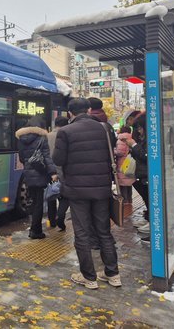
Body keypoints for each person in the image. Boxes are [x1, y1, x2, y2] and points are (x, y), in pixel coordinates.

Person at [52, 98, 121, 289]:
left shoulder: (65, 131)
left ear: (69, 113)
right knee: (103, 231)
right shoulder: (105, 129)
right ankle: (113, 274)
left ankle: (89, 278)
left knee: (82, 232)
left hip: (77, 190)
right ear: (89, 110)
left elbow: (58, 159)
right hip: (101, 188)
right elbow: (111, 155)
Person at [16, 116, 58, 240]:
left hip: (28, 174)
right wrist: (53, 173)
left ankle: (33, 229)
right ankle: (36, 231)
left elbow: (22, 158)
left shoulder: (21, 139)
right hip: (40, 173)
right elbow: (47, 157)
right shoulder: (41, 138)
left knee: (34, 201)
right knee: (39, 203)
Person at [121, 113, 150, 238]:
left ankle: (152, 222)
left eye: (139, 127)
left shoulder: (150, 139)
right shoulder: (143, 138)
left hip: (146, 175)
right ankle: (150, 220)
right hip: (141, 174)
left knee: (149, 199)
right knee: (147, 199)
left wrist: (133, 144)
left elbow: (145, 156)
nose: (138, 130)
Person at [46, 116, 70, 231]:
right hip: (63, 171)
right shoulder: (67, 135)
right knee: (64, 197)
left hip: (49, 171)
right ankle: (60, 218)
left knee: (51, 194)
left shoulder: (47, 136)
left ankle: (52, 221)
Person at [115, 125, 136, 203]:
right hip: (130, 162)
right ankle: (130, 200)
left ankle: (124, 201)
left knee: (123, 183)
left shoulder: (121, 140)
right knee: (129, 183)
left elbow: (120, 152)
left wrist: (114, 151)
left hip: (122, 163)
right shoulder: (131, 139)